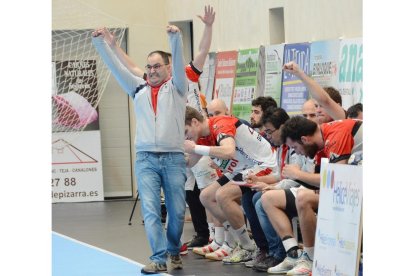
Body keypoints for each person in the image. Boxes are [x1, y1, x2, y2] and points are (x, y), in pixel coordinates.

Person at [92, 25, 188, 274]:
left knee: (177, 212)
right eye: (149, 66)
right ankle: (158, 258)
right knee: (151, 210)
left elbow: (179, 64)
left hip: (174, 158)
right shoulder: (137, 88)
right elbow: (116, 68)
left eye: (158, 66)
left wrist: (174, 38)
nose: (153, 70)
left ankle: (174, 250)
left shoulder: (177, 88)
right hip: (145, 158)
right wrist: (101, 44)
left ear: (167, 68)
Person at [269, 116, 363, 275]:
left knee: (304, 197)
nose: (298, 153)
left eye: (296, 148)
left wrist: (297, 174)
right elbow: (321, 182)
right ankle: (301, 255)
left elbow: (338, 179)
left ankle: (312, 258)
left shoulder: (335, 135)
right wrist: (298, 177)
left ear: (304, 139)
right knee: (292, 197)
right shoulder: (321, 143)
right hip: (355, 188)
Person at [184, 106, 278, 264]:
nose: (186, 138)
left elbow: (229, 152)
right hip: (242, 169)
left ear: (194, 122)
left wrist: (195, 148)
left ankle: (248, 247)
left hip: (262, 165)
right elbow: (189, 162)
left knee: (223, 195)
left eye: (186, 132)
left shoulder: (220, 123)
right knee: (206, 197)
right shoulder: (200, 136)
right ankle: (237, 241)